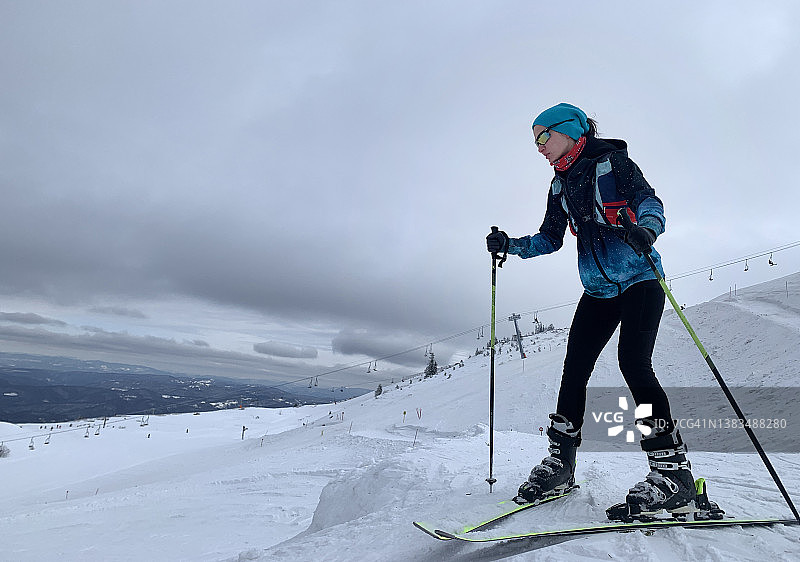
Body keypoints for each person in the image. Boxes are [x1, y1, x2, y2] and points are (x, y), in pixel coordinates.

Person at [486, 103, 695, 520]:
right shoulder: (559, 185)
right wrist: (510, 244)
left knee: (633, 363)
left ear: (569, 130)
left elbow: (649, 201)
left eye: (544, 137)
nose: (539, 147)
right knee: (575, 367)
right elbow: (550, 238)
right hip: (598, 290)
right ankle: (561, 464)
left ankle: (673, 475)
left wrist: (647, 229)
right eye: (535, 141)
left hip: (640, 279)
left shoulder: (614, 162)